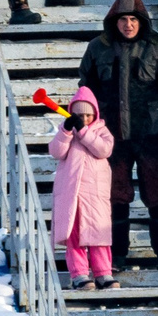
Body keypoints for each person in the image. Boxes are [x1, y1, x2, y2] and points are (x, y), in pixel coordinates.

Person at [77, 0, 158, 273]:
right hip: (110, 140)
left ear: (142, 22)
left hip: (152, 135)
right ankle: (117, 256)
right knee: (114, 197)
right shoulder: (97, 49)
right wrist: (86, 129)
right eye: (123, 19)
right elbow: (85, 92)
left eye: (133, 19)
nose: (128, 24)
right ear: (114, 22)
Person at [48, 84, 117, 290]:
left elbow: (104, 150)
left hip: (95, 195)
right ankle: (79, 274)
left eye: (88, 115)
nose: (84, 118)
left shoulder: (101, 131)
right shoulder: (66, 131)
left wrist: (84, 131)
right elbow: (56, 152)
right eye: (79, 115)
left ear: (95, 114)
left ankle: (103, 273)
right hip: (72, 195)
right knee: (75, 235)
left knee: (98, 234)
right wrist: (66, 131)